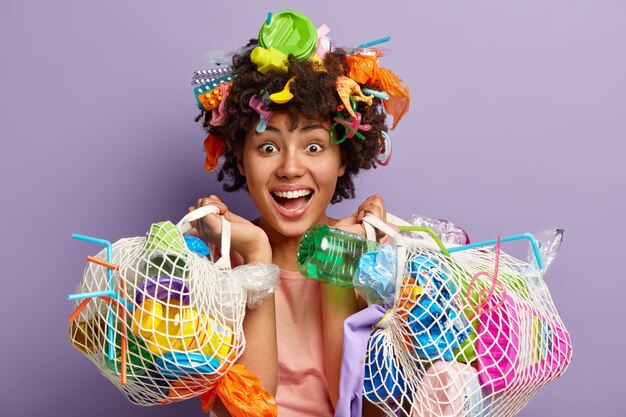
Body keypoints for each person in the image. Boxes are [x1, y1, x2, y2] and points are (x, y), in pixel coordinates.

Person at [188, 10, 409, 417]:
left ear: (343, 157)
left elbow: (362, 408)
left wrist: (339, 261)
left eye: (313, 146)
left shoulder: (376, 257)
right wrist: (256, 256)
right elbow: (247, 411)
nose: (290, 167)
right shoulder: (215, 267)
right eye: (268, 147)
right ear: (240, 157)